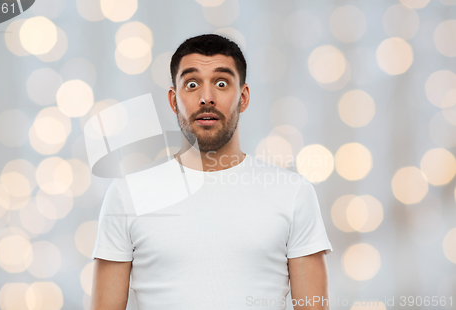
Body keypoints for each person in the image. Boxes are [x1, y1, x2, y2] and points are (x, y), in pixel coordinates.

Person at [90, 34, 333, 310]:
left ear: (243, 98)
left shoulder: (293, 194)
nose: (207, 98)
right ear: (173, 100)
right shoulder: (127, 195)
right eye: (192, 84)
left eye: (221, 83)